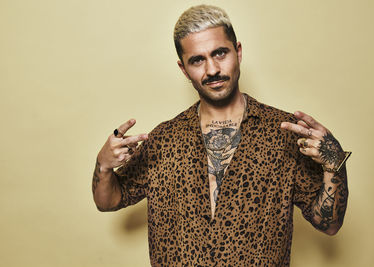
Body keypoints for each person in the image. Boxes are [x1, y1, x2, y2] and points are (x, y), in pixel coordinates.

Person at [92, 4, 350, 266]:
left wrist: (334, 162)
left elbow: (328, 224)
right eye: (198, 60)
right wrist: (103, 165)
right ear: (184, 69)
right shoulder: (163, 139)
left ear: (238, 52)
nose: (212, 69)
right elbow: (109, 200)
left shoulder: (283, 133)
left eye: (220, 53)